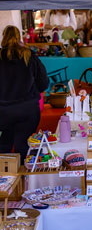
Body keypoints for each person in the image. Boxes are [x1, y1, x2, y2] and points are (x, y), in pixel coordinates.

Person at [0, 26, 49, 161]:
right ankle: (24, 178)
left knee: (4, 144)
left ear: (3, 38)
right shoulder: (29, 56)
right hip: (28, 110)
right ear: (19, 37)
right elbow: (44, 83)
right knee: (24, 147)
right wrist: (32, 92)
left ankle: (5, 178)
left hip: (3, 112)